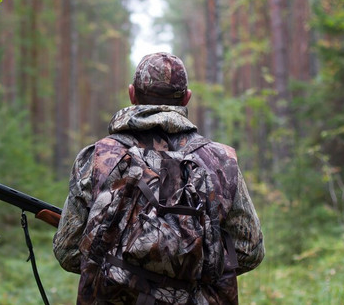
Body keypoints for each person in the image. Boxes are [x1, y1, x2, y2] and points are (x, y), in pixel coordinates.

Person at [53, 52, 264, 304]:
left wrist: (125, 274)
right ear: (187, 98)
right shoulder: (221, 160)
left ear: (132, 94)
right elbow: (250, 251)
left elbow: (68, 251)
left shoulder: (98, 157)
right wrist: (190, 271)